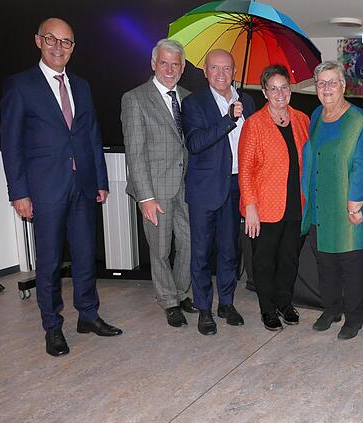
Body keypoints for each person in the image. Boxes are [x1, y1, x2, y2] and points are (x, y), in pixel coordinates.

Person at [0, 18, 122, 357]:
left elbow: (91, 135)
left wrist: (100, 180)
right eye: (52, 39)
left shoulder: (81, 86)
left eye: (66, 42)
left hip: (82, 185)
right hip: (44, 189)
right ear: (38, 40)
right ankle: (52, 327)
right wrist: (19, 193)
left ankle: (88, 315)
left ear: (73, 48)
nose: (58, 47)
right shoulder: (20, 85)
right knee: (51, 262)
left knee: (85, 257)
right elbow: (12, 146)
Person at [121, 39, 197, 328]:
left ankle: (179, 292)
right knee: (161, 249)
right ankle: (168, 301)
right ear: (153, 64)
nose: (169, 68)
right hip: (155, 190)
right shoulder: (135, 99)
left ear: (183, 67)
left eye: (175, 64)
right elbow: (135, 152)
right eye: (163, 63)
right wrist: (145, 197)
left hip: (187, 187)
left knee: (190, 244)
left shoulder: (189, 98)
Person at [301, 61, 363, 340]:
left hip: (349, 208)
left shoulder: (358, 121)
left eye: (332, 82)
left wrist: (355, 202)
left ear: (343, 86)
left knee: (352, 266)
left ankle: (354, 318)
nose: (326, 88)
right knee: (326, 264)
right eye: (321, 83)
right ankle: (331, 309)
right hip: (321, 206)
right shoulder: (316, 117)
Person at [181, 49, 256, 335]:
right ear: (205, 72)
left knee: (229, 251)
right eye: (215, 68)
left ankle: (226, 303)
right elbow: (196, 143)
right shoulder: (193, 103)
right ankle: (204, 309)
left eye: (227, 68)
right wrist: (227, 119)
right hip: (204, 190)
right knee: (201, 253)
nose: (221, 74)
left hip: (237, 186)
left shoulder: (246, 100)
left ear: (235, 71)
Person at [238, 65, 309, 331]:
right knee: (265, 262)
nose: (280, 93)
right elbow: (245, 171)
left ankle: (284, 302)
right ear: (265, 93)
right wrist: (250, 208)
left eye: (284, 87)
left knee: (289, 259)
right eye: (273, 88)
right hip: (264, 208)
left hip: (295, 205)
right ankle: (267, 309)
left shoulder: (302, 119)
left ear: (290, 90)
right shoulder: (254, 124)